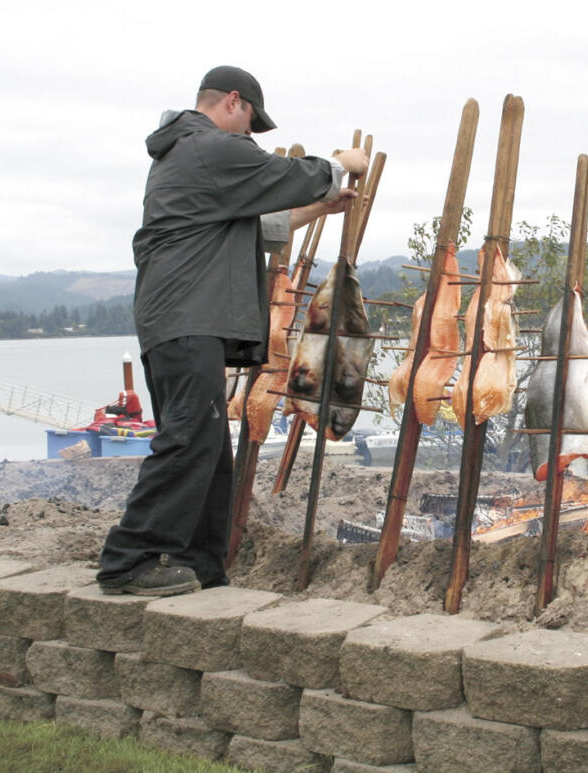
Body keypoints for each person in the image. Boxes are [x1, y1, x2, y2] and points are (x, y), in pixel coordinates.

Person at [97, 66, 368, 597]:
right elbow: (287, 173)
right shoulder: (207, 146)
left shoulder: (195, 160)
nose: (248, 136)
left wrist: (322, 208)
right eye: (249, 124)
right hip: (184, 318)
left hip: (184, 319)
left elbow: (262, 226)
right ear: (233, 103)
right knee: (188, 437)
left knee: (209, 446)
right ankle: (127, 561)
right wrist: (341, 165)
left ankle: (200, 562)